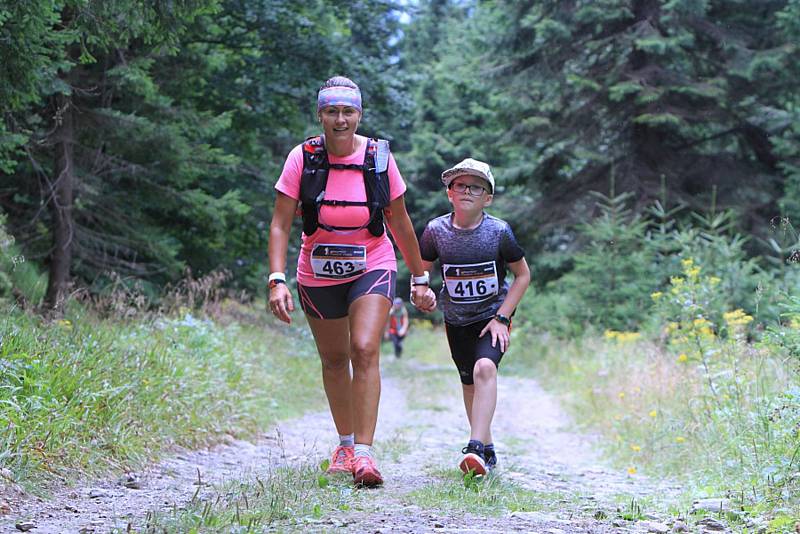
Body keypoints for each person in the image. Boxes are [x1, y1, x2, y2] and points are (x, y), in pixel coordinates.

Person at [267, 76, 435, 488]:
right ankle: (343, 444)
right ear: (320, 114)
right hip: (317, 267)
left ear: (359, 115)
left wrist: (419, 275)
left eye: (348, 111)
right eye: (332, 111)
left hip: (372, 260)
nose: (340, 119)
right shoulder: (302, 158)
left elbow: (400, 221)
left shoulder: (378, 158)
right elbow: (280, 224)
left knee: (363, 348)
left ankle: (364, 453)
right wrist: (277, 278)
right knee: (334, 358)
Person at [419, 158, 531, 475]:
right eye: (460, 185)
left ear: (488, 197)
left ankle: (475, 447)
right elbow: (421, 276)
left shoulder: (499, 232)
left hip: (491, 318)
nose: (467, 191)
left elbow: (523, 276)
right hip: (456, 321)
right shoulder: (435, 231)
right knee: (469, 382)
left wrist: (502, 318)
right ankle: (487, 449)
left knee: (485, 369)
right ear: (449, 193)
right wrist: (422, 294)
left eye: (476, 187)